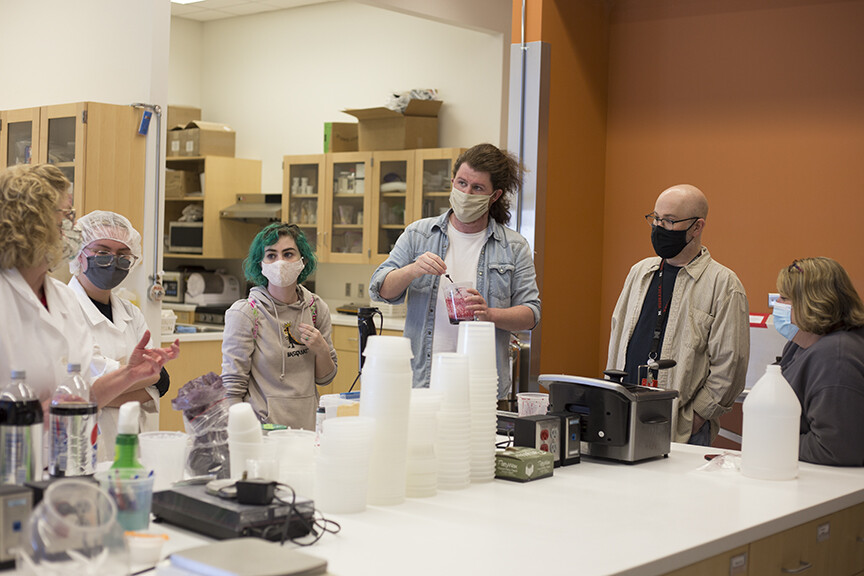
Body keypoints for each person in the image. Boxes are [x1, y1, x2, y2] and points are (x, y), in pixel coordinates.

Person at [0, 164, 178, 412]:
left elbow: (84, 395)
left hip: (68, 444)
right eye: (65, 217)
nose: (74, 229)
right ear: (31, 225)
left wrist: (130, 374)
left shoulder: (61, 298)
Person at [369, 143, 541, 398]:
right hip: (423, 383)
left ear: (494, 196)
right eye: (461, 183)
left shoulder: (513, 246)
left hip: (481, 386)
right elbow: (380, 289)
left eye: (477, 188)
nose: (466, 193)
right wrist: (412, 270)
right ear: (452, 182)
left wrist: (489, 313)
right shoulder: (418, 234)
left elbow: (531, 313)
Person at [606, 184, 749, 445]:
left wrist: (696, 417)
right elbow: (617, 338)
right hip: (624, 415)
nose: (660, 227)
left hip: (682, 429)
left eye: (670, 221)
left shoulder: (724, 284)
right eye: (656, 218)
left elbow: (731, 364)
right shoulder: (640, 272)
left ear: (697, 227)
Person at [69, 210, 177, 462]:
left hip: (133, 442)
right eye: (103, 252)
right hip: (86, 442)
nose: (113, 261)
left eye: (123, 255)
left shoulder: (131, 312)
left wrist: (115, 387)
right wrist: (142, 381)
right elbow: (85, 390)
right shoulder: (64, 308)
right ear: (79, 253)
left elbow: (156, 376)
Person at [221, 222, 337, 430]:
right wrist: (242, 433)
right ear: (261, 264)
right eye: (271, 255)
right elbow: (232, 388)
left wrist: (322, 350)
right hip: (263, 430)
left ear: (303, 260)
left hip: (307, 428)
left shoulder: (316, 309)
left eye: (288, 254)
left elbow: (326, 378)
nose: (280, 262)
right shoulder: (246, 313)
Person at [774, 257, 864, 466]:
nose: (777, 304)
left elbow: (835, 447)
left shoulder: (836, 359)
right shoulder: (799, 345)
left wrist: (772, 440)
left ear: (813, 303)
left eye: (785, 298)